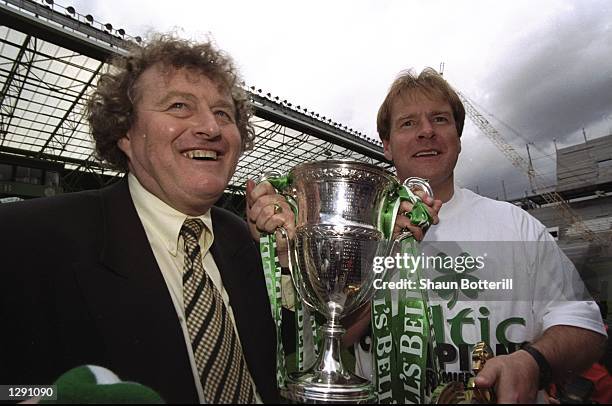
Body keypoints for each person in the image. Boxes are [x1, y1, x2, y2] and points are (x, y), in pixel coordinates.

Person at [0, 35, 292, 403]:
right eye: (179, 106)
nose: (211, 128)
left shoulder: (245, 241)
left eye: (223, 114)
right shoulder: (22, 239)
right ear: (124, 131)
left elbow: (287, 360)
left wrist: (286, 261)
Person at [349, 68, 607, 403]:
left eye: (440, 119)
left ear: (457, 137)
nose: (426, 131)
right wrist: (390, 251)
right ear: (386, 146)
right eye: (408, 123)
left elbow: (585, 327)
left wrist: (533, 362)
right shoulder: (356, 232)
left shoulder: (517, 226)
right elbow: (333, 333)